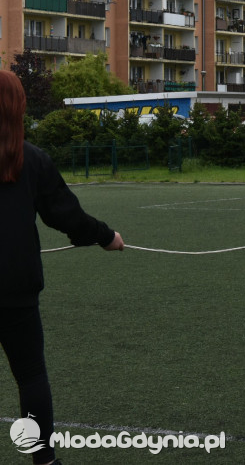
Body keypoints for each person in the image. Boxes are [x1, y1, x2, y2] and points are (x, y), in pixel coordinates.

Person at [0, 70, 125, 465]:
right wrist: (107, 237)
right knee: (31, 376)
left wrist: (102, 234)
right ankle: (44, 460)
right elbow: (66, 215)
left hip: (18, 286)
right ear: (18, 108)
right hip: (16, 286)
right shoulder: (32, 159)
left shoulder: (32, 158)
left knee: (32, 375)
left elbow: (64, 214)